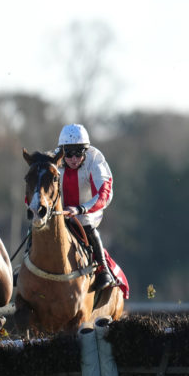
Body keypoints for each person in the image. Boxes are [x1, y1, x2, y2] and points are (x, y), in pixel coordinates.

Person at [57, 123, 116, 292]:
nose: (74, 159)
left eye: (79, 153)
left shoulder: (95, 159)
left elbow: (104, 195)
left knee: (85, 223)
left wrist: (80, 209)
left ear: (86, 151)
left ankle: (104, 270)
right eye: (69, 153)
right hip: (60, 210)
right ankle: (25, 266)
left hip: (88, 209)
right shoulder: (54, 159)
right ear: (62, 151)